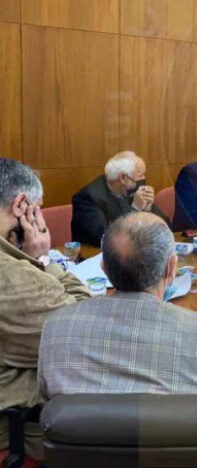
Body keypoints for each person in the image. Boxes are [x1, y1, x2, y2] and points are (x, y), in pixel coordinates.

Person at [39, 212, 197, 399]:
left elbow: (46, 396)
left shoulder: (56, 326)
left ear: (103, 267)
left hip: (81, 431)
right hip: (171, 431)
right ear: (171, 269)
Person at [0, 158, 90, 460]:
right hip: (19, 430)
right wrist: (43, 260)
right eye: (37, 209)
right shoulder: (13, 277)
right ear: (21, 206)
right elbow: (83, 328)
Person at [71, 151, 170, 245]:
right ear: (123, 178)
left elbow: (167, 227)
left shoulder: (132, 189)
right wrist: (135, 208)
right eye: (141, 175)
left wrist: (148, 210)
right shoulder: (88, 198)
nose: (143, 179)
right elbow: (106, 237)